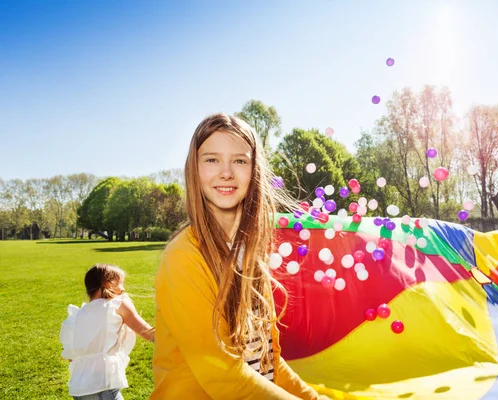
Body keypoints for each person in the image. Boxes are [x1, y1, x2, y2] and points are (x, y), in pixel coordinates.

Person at [150, 113, 323, 399]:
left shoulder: (250, 255)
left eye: (240, 161)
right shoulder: (183, 256)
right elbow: (223, 376)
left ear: (255, 169)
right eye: (212, 159)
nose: (226, 172)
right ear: (194, 169)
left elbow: (267, 361)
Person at [60, 263, 155, 400]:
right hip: (102, 387)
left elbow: (71, 357)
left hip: (79, 389)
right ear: (107, 283)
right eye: (120, 283)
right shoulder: (117, 305)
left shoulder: (75, 317)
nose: (123, 289)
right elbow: (148, 333)